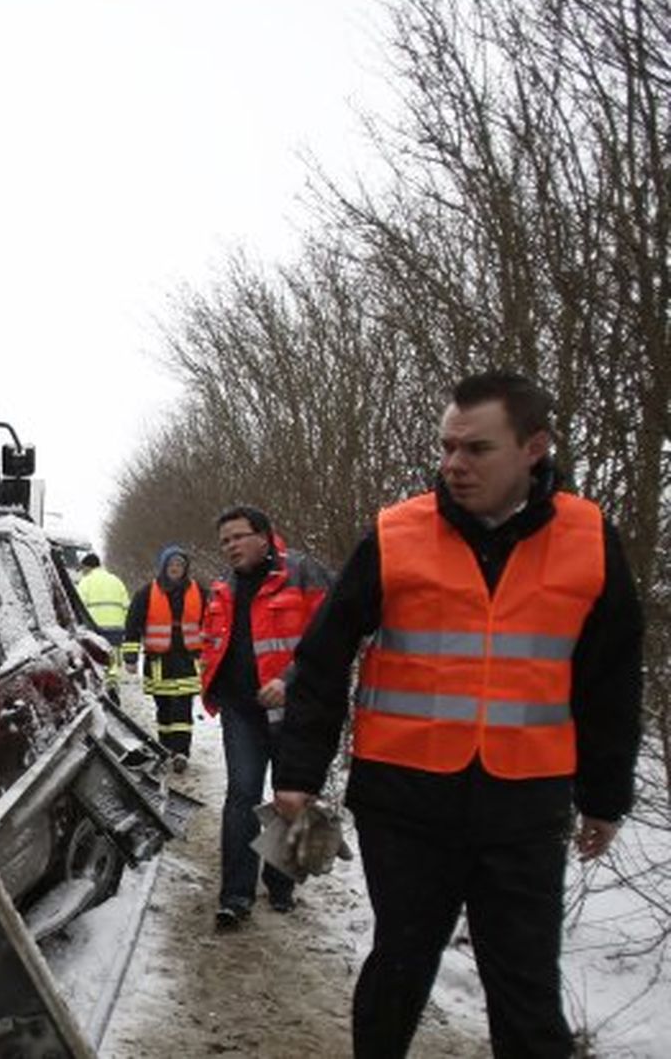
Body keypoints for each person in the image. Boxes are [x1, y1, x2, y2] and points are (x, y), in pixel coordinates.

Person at [273, 371, 642, 1058]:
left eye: (476, 449)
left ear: (533, 447)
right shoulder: (397, 532)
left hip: (525, 804)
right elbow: (322, 660)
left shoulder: (590, 538)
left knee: (526, 988)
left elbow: (611, 680)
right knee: (401, 966)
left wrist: (605, 793)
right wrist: (297, 772)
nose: (453, 465)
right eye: (446, 447)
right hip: (405, 799)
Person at [200, 505, 331, 930]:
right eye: (225, 541)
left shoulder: (304, 573)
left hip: (294, 712)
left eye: (238, 536)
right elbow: (212, 640)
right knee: (241, 795)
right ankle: (235, 896)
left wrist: (291, 680)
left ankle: (280, 884)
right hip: (241, 711)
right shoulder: (222, 587)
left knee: (288, 795)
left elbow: (333, 637)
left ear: (264, 535)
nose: (231, 546)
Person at [120, 545, 204, 771]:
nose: (176, 568)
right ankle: (166, 748)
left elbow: (212, 624)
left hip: (187, 660)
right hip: (159, 662)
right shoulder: (146, 593)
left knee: (183, 707)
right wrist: (129, 656)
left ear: (185, 568)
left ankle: (181, 752)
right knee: (164, 708)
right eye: (172, 564)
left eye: (180, 565)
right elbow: (132, 625)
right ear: (164, 566)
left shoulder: (200, 592)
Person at [76, 552, 130, 696]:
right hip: (117, 629)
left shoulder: (85, 582)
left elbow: (78, 607)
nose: (82, 572)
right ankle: (113, 684)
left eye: (83, 569)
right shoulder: (116, 581)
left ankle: (102, 692)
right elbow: (126, 606)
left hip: (95, 629)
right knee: (112, 659)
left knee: (98, 661)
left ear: (88, 567)